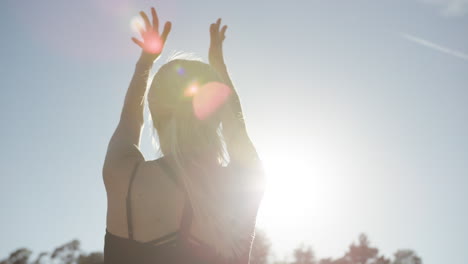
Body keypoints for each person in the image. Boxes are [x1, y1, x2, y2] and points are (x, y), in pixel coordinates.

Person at [102, 7, 266, 264]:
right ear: (217, 115)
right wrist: (218, 66)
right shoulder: (244, 182)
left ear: (156, 116)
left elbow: (130, 119)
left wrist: (146, 61)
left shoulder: (124, 176)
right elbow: (237, 127)